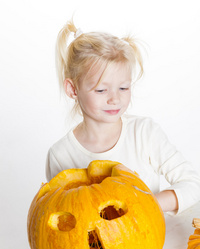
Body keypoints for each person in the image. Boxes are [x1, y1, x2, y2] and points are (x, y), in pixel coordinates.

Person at [46, 19, 200, 215]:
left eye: (123, 88)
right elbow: (63, 216)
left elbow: (192, 185)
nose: (115, 99)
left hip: (153, 241)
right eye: (101, 90)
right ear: (73, 89)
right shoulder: (61, 155)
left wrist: (145, 204)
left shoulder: (145, 133)